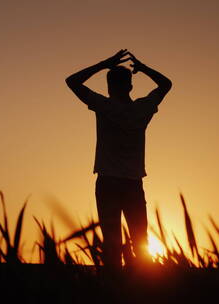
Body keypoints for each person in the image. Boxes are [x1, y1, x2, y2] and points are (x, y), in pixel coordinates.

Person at [65, 49, 172, 270]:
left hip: (108, 183)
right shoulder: (142, 109)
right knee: (140, 241)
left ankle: (114, 288)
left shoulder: (104, 106)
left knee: (112, 243)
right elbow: (166, 84)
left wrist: (103, 64)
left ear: (109, 87)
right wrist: (142, 68)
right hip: (133, 184)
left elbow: (72, 81)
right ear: (130, 87)